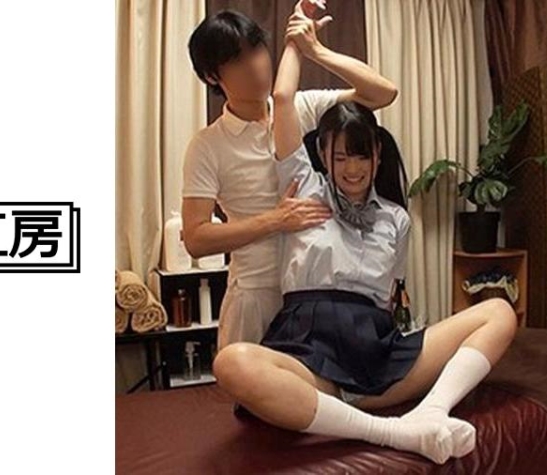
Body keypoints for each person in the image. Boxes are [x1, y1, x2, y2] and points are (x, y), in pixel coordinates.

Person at [211, 3, 518, 465]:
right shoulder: (304, 188)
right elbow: (284, 98)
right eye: (340, 157)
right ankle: (393, 432)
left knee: (498, 311)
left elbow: (389, 300)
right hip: (311, 355)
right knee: (232, 362)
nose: (352, 169)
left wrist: (318, 49)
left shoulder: (396, 219)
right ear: (323, 156)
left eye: (361, 156)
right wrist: (301, 40)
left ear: (377, 155)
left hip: (379, 356)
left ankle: (431, 412)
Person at [182, 0, 398, 351]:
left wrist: (316, 50)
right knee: (248, 384)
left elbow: (383, 93)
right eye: (237, 60)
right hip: (256, 293)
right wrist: (275, 220)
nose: (255, 66)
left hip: (313, 289)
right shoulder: (207, 145)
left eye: (256, 50)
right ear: (212, 76)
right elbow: (196, 238)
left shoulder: (300, 106)